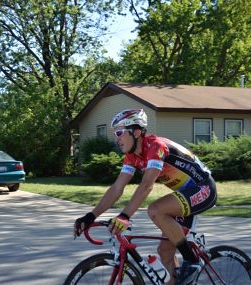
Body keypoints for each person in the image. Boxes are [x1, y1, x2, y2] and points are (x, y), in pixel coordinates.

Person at [73, 109, 217, 285]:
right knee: (165, 251)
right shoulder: (132, 156)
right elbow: (117, 188)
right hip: (185, 193)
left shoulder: (156, 147)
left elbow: (147, 185)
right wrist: (90, 216)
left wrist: (125, 216)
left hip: (203, 189)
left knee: (156, 210)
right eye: (114, 134)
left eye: (119, 132)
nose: (116, 138)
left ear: (136, 132)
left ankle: (192, 260)